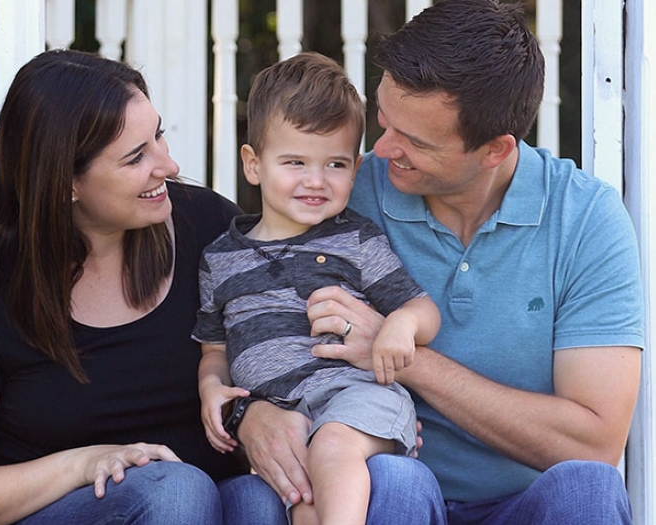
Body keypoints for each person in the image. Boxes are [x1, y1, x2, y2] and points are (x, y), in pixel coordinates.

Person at [231, 1, 645, 524]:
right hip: (387, 493)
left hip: (524, 505)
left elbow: (594, 444)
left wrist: (407, 357)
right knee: (397, 480)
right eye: (384, 121)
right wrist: (250, 413)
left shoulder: (584, 218)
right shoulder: (342, 193)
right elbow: (245, 307)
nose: (381, 150)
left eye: (415, 142)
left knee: (587, 487)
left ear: (494, 150)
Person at [0, 49, 248, 524]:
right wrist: (81, 463)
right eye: (136, 157)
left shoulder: (211, 227)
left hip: (203, 505)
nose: (169, 166)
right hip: (73, 511)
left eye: (158, 136)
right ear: (65, 183)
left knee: (256, 500)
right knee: (175, 489)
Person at [193, 52, 441, 525]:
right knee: (301, 497)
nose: (315, 180)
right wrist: (211, 388)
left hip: (355, 397)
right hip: (283, 413)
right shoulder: (219, 258)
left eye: (334, 164)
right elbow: (214, 347)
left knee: (330, 448)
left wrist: (401, 325)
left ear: (356, 166)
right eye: (295, 162)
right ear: (253, 164)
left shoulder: (356, 239)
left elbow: (422, 308)